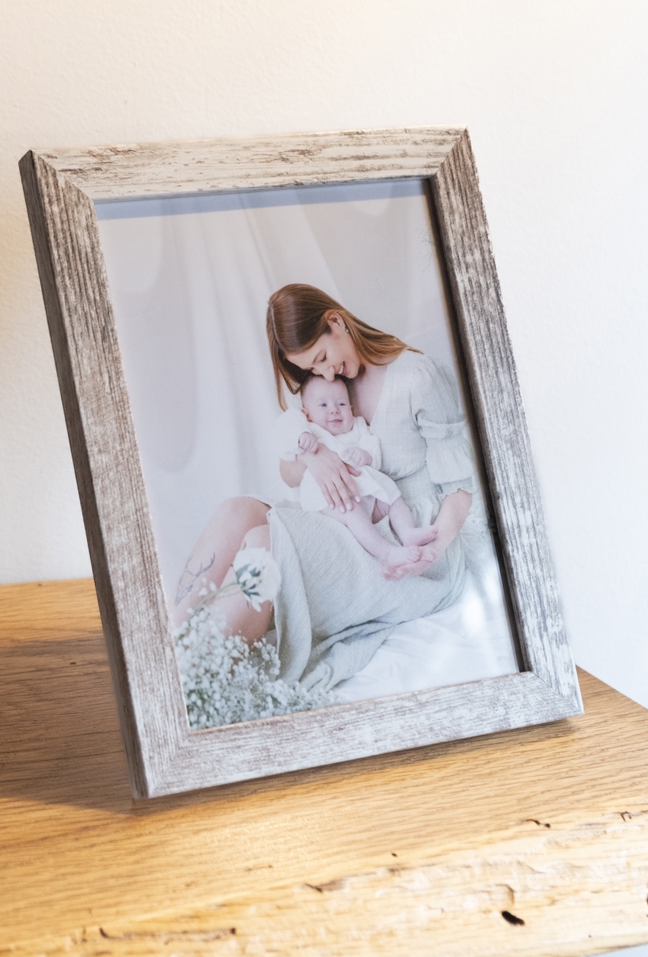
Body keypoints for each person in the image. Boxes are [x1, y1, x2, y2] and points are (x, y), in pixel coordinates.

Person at [171, 283, 476, 692]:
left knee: (265, 541)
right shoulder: (327, 383)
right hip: (344, 511)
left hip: (403, 532)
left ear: (336, 322)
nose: (326, 373)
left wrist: (432, 551)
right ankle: (170, 645)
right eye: (315, 367)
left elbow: (459, 488)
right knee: (236, 511)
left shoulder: (418, 376)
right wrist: (316, 457)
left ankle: (199, 678)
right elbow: (288, 472)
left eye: (322, 358)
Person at [276, 374, 438, 571]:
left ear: (351, 408)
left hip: (365, 490)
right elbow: (285, 426)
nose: (334, 410)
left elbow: (372, 445)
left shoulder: (357, 426)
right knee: (350, 510)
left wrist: (366, 455)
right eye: (323, 405)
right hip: (329, 499)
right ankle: (387, 553)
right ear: (307, 414)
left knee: (392, 496)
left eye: (341, 404)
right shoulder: (309, 428)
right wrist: (301, 436)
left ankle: (407, 532)